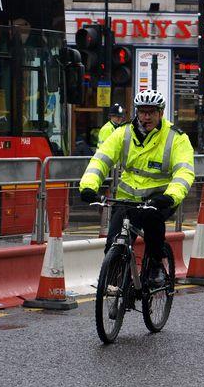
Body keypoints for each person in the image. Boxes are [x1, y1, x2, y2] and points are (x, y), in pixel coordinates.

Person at [79, 90, 195, 285]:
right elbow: (100, 160)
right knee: (113, 242)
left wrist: (170, 196)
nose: (146, 117)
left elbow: (184, 172)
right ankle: (116, 281)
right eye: (142, 112)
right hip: (128, 197)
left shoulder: (176, 138)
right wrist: (89, 187)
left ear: (161, 113)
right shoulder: (122, 133)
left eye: (151, 112)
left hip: (160, 197)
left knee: (153, 219)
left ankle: (156, 266)